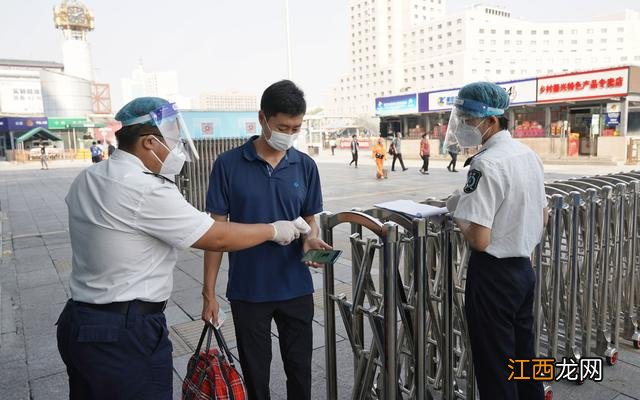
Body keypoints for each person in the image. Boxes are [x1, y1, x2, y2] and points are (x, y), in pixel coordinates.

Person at [55, 97, 306, 400]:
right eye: (172, 140)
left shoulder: (89, 177)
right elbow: (216, 237)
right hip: (125, 333)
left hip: (81, 322)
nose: (177, 148)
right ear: (149, 142)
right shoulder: (144, 187)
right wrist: (274, 229)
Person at [202, 80, 330, 400]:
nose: (289, 134)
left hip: (296, 288)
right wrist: (209, 294)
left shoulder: (305, 165)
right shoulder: (228, 165)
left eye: (296, 127)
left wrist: (311, 239)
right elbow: (215, 234)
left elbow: (310, 219)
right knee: (255, 374)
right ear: (262, 119)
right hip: (249, 290)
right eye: (282, 126)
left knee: (300, 370)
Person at [444, 82, 547, 400]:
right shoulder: (527, 155)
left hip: (493, 277)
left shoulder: (485, 163)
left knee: (495, 368)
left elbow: (478, 237)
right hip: (523, 271)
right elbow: (543, 215)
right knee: (524, 358)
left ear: (490, 120)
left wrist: (457, 209)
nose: (461, 125)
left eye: (466, 118)